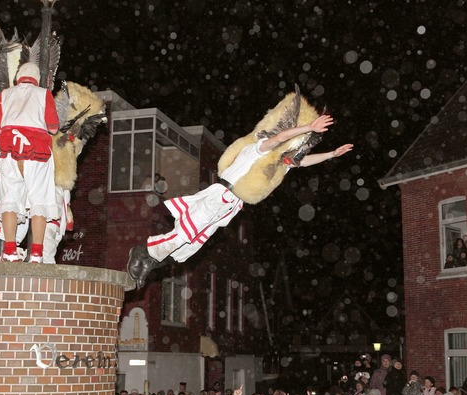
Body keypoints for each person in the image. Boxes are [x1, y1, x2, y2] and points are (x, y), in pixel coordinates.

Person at [127, 101, 353, 288]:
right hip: (220, 196)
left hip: (230, 206)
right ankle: (143, 251)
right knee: (186, 234)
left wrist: (331, 154)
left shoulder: (277, 164)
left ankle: (151, 262)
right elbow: (278, 139)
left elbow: (301, 162)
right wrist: (308, 127)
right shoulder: (259, 149)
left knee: (189, 247)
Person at [0, 62, 60, 263]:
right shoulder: (43, 93)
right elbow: (54, 128)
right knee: (39, 202)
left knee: (10, 202)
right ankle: (37, 254)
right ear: (36, 78)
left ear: (18, 77)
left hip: (10, 151)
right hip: (36, 151)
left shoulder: (4, 94)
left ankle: (10, 251)